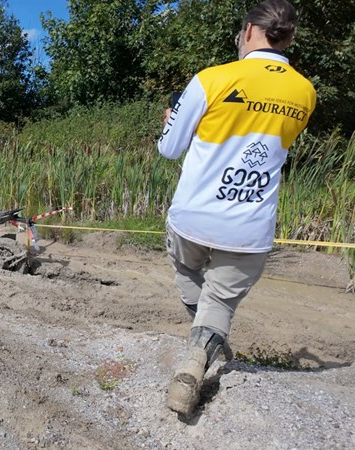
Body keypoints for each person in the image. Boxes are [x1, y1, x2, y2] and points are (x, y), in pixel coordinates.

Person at [157, 0, 316, 415]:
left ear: (248, 31)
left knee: (187, 267)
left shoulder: (213, 79)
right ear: (290, 37)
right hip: (249, 226)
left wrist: (170, 119)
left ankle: (200, 344)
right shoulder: (305, 92)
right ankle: (201, 347)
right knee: (221, 301)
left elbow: (170, 149)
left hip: (193, 217)